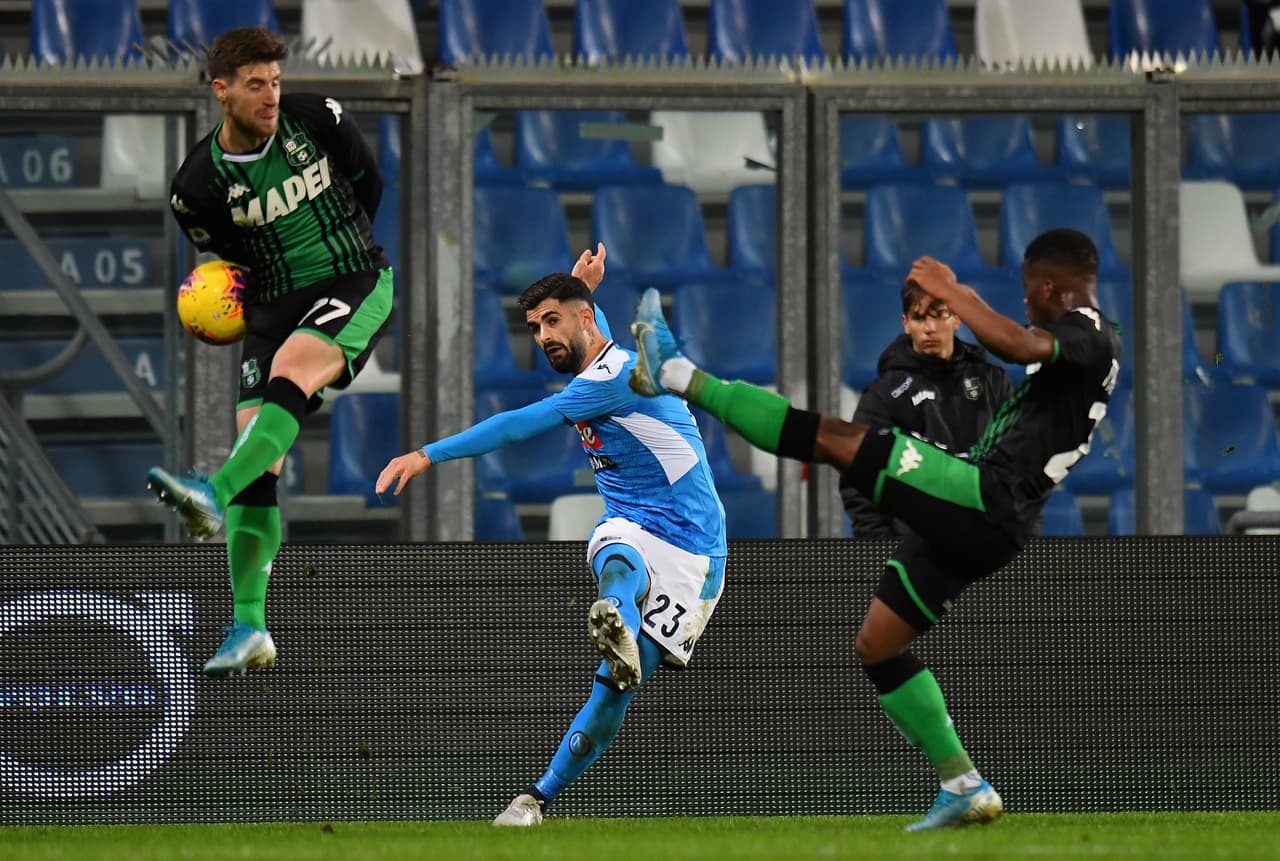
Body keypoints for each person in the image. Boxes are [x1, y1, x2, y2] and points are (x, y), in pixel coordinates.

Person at [628, 228, 1120, 830]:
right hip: (992, 517)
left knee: (835, 438)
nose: (1025, 303)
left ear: (1051, 287)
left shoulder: (1089, 331)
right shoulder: (1087, 343)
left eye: (1027, 293)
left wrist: (954, 292)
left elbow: (1016, 344)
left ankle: (676, 373)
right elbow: (1023, 348)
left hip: (984, 495)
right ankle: (962, 782)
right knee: (879, 644)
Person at [375, 244, 727, 827]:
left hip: (696, 549)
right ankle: (536, 796)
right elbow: (598, 340)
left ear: (585, 317)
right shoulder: (606, 356)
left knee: (616, 688)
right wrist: (580, 285)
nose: (541, 336)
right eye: (535, 326)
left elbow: (519, 424)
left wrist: (426, 454)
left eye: (553, 320)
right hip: (636, 521)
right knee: (615, 550)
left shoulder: (608, 382)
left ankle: (612, 641)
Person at [145, 27, 393, 677]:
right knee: (260, 451)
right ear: (220, 90)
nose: (271, 95)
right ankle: (250, 623)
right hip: (271, 310)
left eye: (275, 81)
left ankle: (210, 490)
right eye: (256, 84)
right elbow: (229, 260)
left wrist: (340, 251)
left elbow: (369, 185)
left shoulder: (317, 118)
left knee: (291, 372)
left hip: (352, 277)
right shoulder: (195, 187)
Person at [842, 284, 1013, 538]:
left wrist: (1022, 533)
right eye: (919, 318)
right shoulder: (884, 395)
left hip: (990, 543)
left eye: (939, 315)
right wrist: (880, 546)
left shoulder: (993, 383)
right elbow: (858, 472)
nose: (930, 328)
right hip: (917, 552)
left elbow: (1023, 463)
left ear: (956, 318)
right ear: (906, 323)